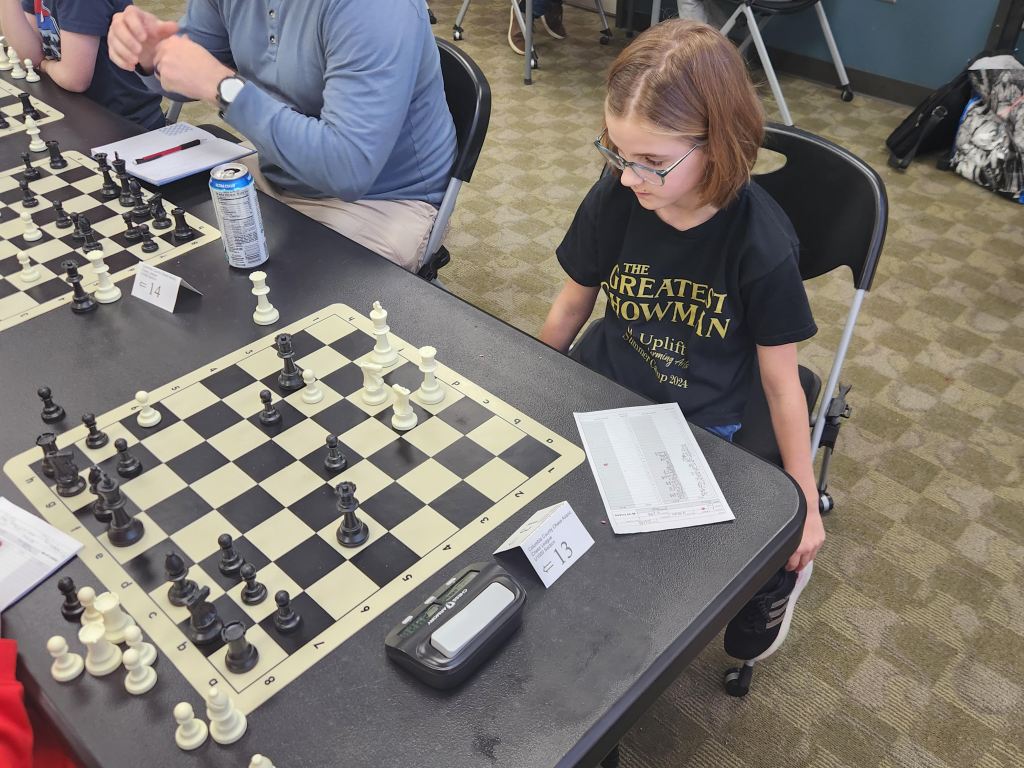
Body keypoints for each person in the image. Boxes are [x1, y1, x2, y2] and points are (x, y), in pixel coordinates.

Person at [539, 19, 825, 662]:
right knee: (549, 517)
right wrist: (527, 376)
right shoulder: (618, 195)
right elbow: (573, 302)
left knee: (665, 575)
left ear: (718, 145)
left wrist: (804, 502)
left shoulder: (762, 244)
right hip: (605, 383)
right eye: (616, 151)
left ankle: (776, 584)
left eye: (650, 161)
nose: (628, 176)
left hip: (700, 419)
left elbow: (782, 383)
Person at [106, 1, 457, 274]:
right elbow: (191, 68)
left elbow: (348, 169)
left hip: (384, 200)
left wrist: (224, 87)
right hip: (278, 169)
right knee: (166, 240)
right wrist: (152, 56)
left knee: (276, 310)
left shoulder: (373, 8)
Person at [0, 0, 163, 130]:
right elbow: (30, 58)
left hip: (124, 123)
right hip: (75, 112)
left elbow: (74, 79)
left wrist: (45, 65)